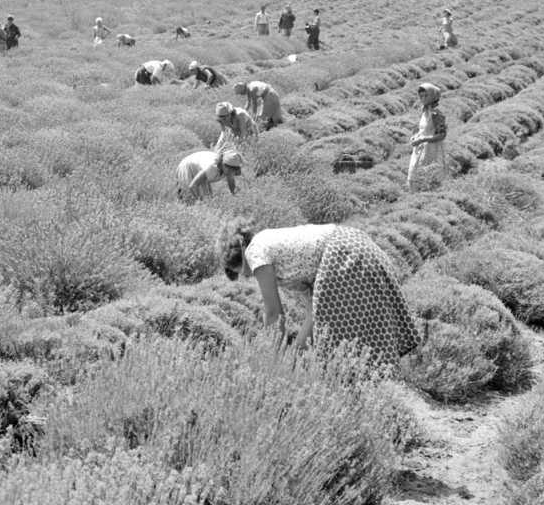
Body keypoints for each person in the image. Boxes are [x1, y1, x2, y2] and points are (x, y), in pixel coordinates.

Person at [219, 220, 421, 365]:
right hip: (355, 244)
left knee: (341, 335)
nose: (247, 278)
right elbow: (314, 312)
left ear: (239, 258)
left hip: (343, 253)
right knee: (349, 329)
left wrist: (272, 360)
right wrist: (296, 351)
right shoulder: (284, 257)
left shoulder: (254, 253)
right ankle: (375, 378)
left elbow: (273, 314)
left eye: (240, 273)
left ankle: (364, 384)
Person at [408, 82, 448, 190]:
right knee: (416, 177)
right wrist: (415, 136)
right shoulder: (424, 111)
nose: (423, 98)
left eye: (426, 96)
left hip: (432, 150)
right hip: (421, 149)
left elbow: (442, 135)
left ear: (433, 96)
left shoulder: (436, 114)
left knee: (429, 177)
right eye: (421, 96)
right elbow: (422, 130)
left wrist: (423, 139)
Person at [176, 149, 243, 202]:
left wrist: (235, 196)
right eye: (229, 169)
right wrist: (200, 203)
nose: (231, 172)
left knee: (208, 198)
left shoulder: (230, 170)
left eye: (233, 169)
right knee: (188, 198)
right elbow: (192, 186)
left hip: (199, 168)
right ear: (223, 164)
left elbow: (231, 180)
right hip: (187, 167)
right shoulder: (212, 167)